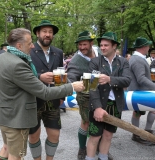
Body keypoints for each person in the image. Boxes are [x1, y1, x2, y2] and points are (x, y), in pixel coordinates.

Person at [0, 28, 84, 160]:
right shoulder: (18, 64)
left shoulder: (1, 58)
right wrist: (72, 86)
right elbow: (44, 92)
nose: (32, 45)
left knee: (6, 148)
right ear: (19, 45)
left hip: (2, 115)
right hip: (16, 119)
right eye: (29, 43)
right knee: (15, 155)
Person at [85, 32, 131, 160]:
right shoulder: (95, 62)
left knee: (108, 135)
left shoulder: (123, 62)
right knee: (95, 136)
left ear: (114, 46)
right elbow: (92, 87)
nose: (103, 48)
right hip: (98, 103)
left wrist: (110, 79)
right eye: (101, 45)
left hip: (115, 104)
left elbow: (127, 80)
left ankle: (103, 157)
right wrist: (97, 108)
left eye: (106, 45)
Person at [28, 20, 65, 160]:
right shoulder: (29, 50)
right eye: (44, 31)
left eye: (50, 32)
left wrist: (63, 96)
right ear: (38, 33)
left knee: (55, 135)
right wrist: (39, 77)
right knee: (33, 135)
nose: (47, 34)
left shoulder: (58, 53)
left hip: (53, 99)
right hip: (33, 100)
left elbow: (61, 75)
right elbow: (22, 73)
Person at [66, 30, 103, 160]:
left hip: (102, 93)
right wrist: (72, 83)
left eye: (84, 44)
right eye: (80, 45)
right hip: (85, 95)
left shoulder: (100, 52)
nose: (82, 48)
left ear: (91, 43)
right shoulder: (76, 60)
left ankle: (100, 147)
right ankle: (82, 148)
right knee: (86, 122)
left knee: (101, 120)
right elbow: (70, 76)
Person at [128, 37, 155, 146]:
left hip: (141, 91)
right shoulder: (137, 60)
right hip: (139, 92)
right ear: (144, 47)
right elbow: (141, 78)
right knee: (138, 113)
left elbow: (143, 77)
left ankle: (145, 132)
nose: (149, 48)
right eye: (148, 45)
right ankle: (138, 134)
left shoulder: (138, 58)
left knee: (152, 110)